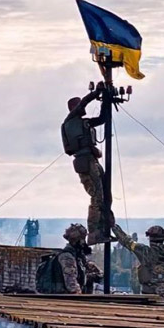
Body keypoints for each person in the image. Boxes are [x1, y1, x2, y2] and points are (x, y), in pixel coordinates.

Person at [61, 83, 113, 245]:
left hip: (92, 160)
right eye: (77, 105)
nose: (81, 108)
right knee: (96, 197)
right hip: (85, 162)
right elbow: (83, 104)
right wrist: (96, 93)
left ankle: (106, 229)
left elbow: (102, 119)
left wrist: (106, 99)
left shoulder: (83, 123)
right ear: (72, 108)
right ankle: (94, 233)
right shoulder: (70, 121)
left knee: (106, 195)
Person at [112, 224, 164, 301]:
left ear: (150, 238)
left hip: (151, 296)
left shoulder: (146, 252)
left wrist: (114, 227)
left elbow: (127, 242)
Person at [36, 223, 102, 294]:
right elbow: (71, 285)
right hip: (63, 299)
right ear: (76, 240)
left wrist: (91, 275)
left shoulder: (77, 257)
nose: (84, 242)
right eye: (82, 239)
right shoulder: (67, 257)